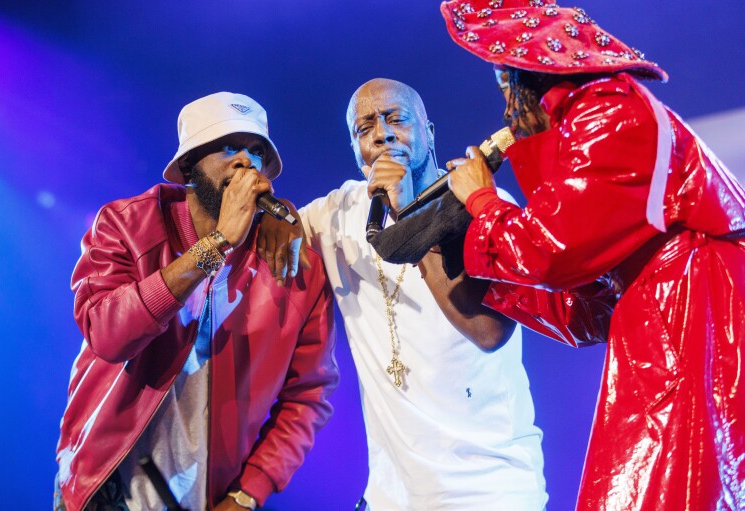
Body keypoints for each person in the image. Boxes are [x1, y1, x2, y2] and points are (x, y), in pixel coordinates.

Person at [440, 1, 745, 510]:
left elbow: (552, 253)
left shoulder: (609, 109)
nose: (505, 111)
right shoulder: (593, 120)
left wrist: (482, 201)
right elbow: (586, 311)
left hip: (696, 315)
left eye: (502, 84)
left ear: (527, 73)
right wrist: (483, 279)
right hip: (668, 313)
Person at [259, 78, 547, 510]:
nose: (382, 134)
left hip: (491, 489)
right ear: (355, 148)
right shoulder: (340, 213)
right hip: (390, 497)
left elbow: (488, 332)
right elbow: (276, 233)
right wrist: (276, 216)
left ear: (429, 130)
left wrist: (406, 212)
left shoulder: (482, 204)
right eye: (365, 128)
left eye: (396, 118)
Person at [54, 92, 339, 511]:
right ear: (188, 166)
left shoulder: (294, 264)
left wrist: (247, 494)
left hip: (208, 498)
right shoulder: (125, 225)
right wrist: (219, 243)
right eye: (229, 148)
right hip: (102, 487)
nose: (246, 162)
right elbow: (108, 335)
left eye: (256, 151)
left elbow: (308, 396)